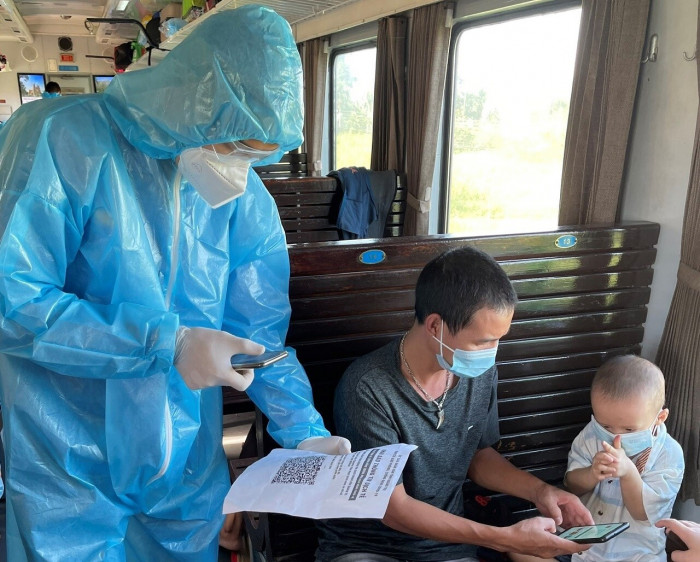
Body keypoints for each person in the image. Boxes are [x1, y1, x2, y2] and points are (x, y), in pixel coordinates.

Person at [0, 5, 347, 561]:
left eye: (255, 155)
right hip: (66, 448)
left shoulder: (243, 201)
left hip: (184, 456)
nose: (237, 167)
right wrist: (167, 342)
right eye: (234, 144)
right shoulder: (60, 138)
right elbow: (13, 301)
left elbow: (258, 337)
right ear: (193, 100)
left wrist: (303, 429)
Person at [316, 246, 595, 562]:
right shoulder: (367, 387)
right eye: (483, 341)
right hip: (367, 546)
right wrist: (504, 539)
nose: (492, 352)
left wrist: (541, 492)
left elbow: (477, 456)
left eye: (499, 339)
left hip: (446, 544)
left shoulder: (480, 373)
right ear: (435, 326)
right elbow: (393, 509)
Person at [519, 355, 685, 562]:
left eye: (629, 429)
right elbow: (572, 485)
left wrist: (628, 472)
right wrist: (591, 473)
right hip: (582, 546)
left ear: (659, 418)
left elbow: (642, 513)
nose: (615, 436)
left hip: (634, 553)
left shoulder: (669, 454)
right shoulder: (592, 434)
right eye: (606, 426)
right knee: (521, 548)